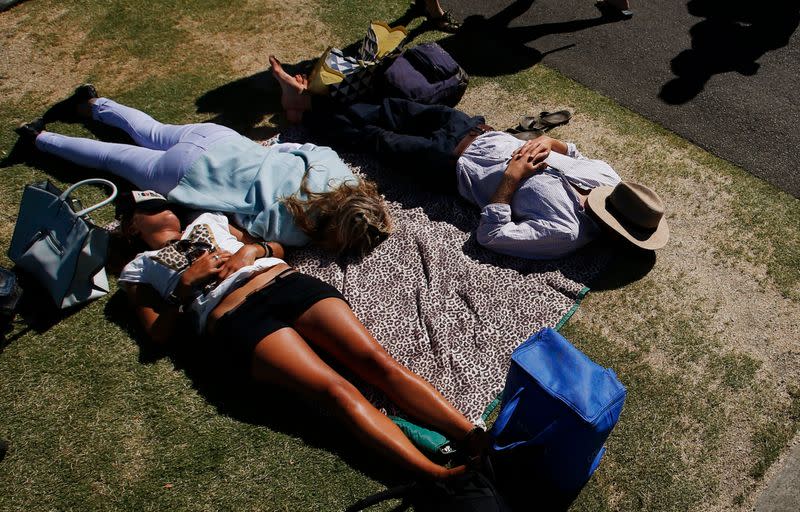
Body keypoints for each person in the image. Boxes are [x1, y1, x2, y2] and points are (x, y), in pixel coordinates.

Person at [114, 192, 485, 479]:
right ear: (132, 227)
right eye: (149, 210)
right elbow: (158, 335)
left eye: (163, 203)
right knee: (335, 390)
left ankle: (473, 437)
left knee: (377, 362)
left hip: (283, 282)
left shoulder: (208, 220)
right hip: (236, 318)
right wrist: (185, 286)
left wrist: (251, 251)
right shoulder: (138, 270)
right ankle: (437, 474)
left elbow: (275, 248)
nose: (163, 210)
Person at [270, 57, 669, 260]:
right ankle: (312, 100)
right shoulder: (609, 180)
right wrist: (550, 143)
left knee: (375, 138)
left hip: (447, 163)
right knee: (394, 108)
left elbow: (491, 236)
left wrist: (510, 180)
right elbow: (575, 151)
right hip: (477, 131)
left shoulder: (564, 233)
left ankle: (304, 110)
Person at [16, 85, 392, 257]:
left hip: (220, 140)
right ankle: (39, 137)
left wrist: (273, 154)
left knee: (151, 129)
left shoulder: (337, 172)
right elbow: (240, 224)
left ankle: (95, 103)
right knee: (111, 158)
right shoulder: (297, 232)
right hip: (186, 175)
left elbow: (303, 148)